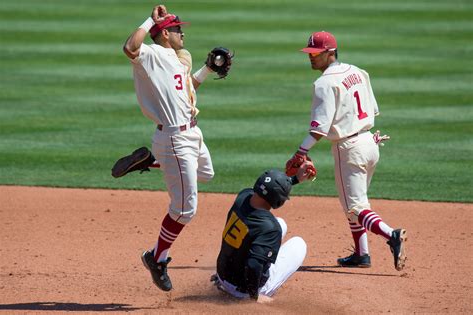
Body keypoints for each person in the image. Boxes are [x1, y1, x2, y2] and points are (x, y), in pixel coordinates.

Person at [121, 5, 229, 291]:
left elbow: (186, 91)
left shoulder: (175, 58)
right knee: (184, 210)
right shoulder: (153, 55)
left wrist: (207, 70)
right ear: (165, 33)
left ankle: (150, 162)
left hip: (192, 133)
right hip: (174, 139)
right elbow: (130, 47)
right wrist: (149, 20)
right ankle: (156, 257)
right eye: (178, 28)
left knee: (207, 174)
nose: (183, 32)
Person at [285, 31, 407, 271]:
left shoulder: (324, 83)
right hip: (370, 144)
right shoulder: (358, 71)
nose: (311, 58)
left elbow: (319, 129)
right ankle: (362, 254)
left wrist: (300, 152)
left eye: (316, 54)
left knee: (356, 207)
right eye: (309, 53)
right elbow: (371, 111)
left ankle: (391, 234)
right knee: (358, 202)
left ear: (330, 53)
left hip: (349, 149)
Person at [212, 163, 315, 303]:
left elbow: (268, 190)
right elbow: (254, 265)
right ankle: (251, 294)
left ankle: (225, 283)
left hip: (223, 274)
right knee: (299, 244)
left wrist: (295, 179)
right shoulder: (269, 228)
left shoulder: (243, 196)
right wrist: (254, 296)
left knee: (280, 223)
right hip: (243, 290)